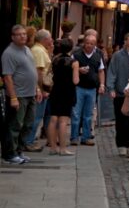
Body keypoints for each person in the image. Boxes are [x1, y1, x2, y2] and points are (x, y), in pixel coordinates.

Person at [3, 25, 42, 163]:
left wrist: (37, 88)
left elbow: (31, 71)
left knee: (28, 124)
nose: (23, 36)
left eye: (24, 34)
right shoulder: (9, 53)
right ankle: (9, 154)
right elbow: (7, 77)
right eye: (19, 34)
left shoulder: (26, 49)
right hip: (18, 95)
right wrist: (13, 97)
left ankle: (19, 151)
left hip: (30, 94)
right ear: (13, 37)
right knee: (15, 125)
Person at [106, 33, 129, 157]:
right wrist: (111, 88)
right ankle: (121, 145)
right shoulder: (117, 56)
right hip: (120, 93)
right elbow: (112, 72)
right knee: (120, 120)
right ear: (125, 41)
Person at [71, 34, 105, 146]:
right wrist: (78, 70)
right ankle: (74, 137)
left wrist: (102, 84)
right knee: (76, 113)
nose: (89, 45)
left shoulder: (97, 56)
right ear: (83, 43)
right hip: (78, 88)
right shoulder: (76, 55)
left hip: (92, 89)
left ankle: (86, 137)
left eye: (92, 43)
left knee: (88, 114)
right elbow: (69, 69)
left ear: (95, 45)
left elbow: (101, 71)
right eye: (87, 43)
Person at [46, 39, 79, 155]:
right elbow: (75, 81)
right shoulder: (73, 62)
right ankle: (63, 148)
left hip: (55, 91)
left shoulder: (55, 59)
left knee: (53, 119)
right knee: (63, 121)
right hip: (67, 92)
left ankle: (53, 147)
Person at [26, 29, 53, 151]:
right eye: (50, 38)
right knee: (36, 116)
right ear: (45, 39)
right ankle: (28, 141)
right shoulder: (38, 51)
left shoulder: (41, 50)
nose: (51, 40)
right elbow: (39, 72)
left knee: (39, 116)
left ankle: (30, 140)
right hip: (39, 90)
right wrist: (42, 89)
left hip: (39, 88)